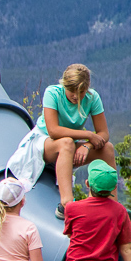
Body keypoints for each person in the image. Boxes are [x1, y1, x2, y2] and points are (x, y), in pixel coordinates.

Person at [39, 64, 114, 220]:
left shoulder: (92, 98)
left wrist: (87, 145)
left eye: (81, 92)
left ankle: (111, 206)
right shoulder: (52, 93)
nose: (76, 96)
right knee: (66, 143)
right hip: (46, 145)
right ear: (64, 85)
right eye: (72, 90)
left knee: (107, 149)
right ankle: (66, 204)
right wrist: (87, 134)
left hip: (69, 149)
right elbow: (53, 130)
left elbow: (103, 133)